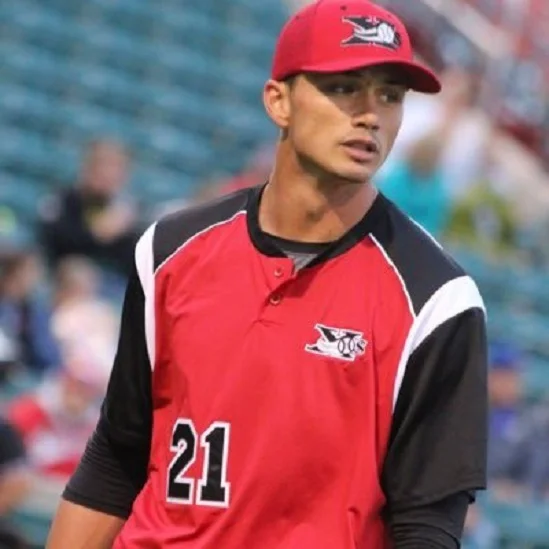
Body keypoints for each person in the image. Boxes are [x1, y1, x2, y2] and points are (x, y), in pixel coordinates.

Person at [46, 1, 488, 548]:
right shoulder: (168, 250)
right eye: (344, 88)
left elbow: (427, 525)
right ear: (279, 101)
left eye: (390, 96)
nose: (370, 114)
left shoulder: (436, 300)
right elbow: (118, 455)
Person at [38, 139, 141, 278]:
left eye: (116, 168)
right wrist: (94, 234)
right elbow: (50, 242)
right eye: (102, 165)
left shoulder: (126, 212)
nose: (108, 174)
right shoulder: (63, 200)